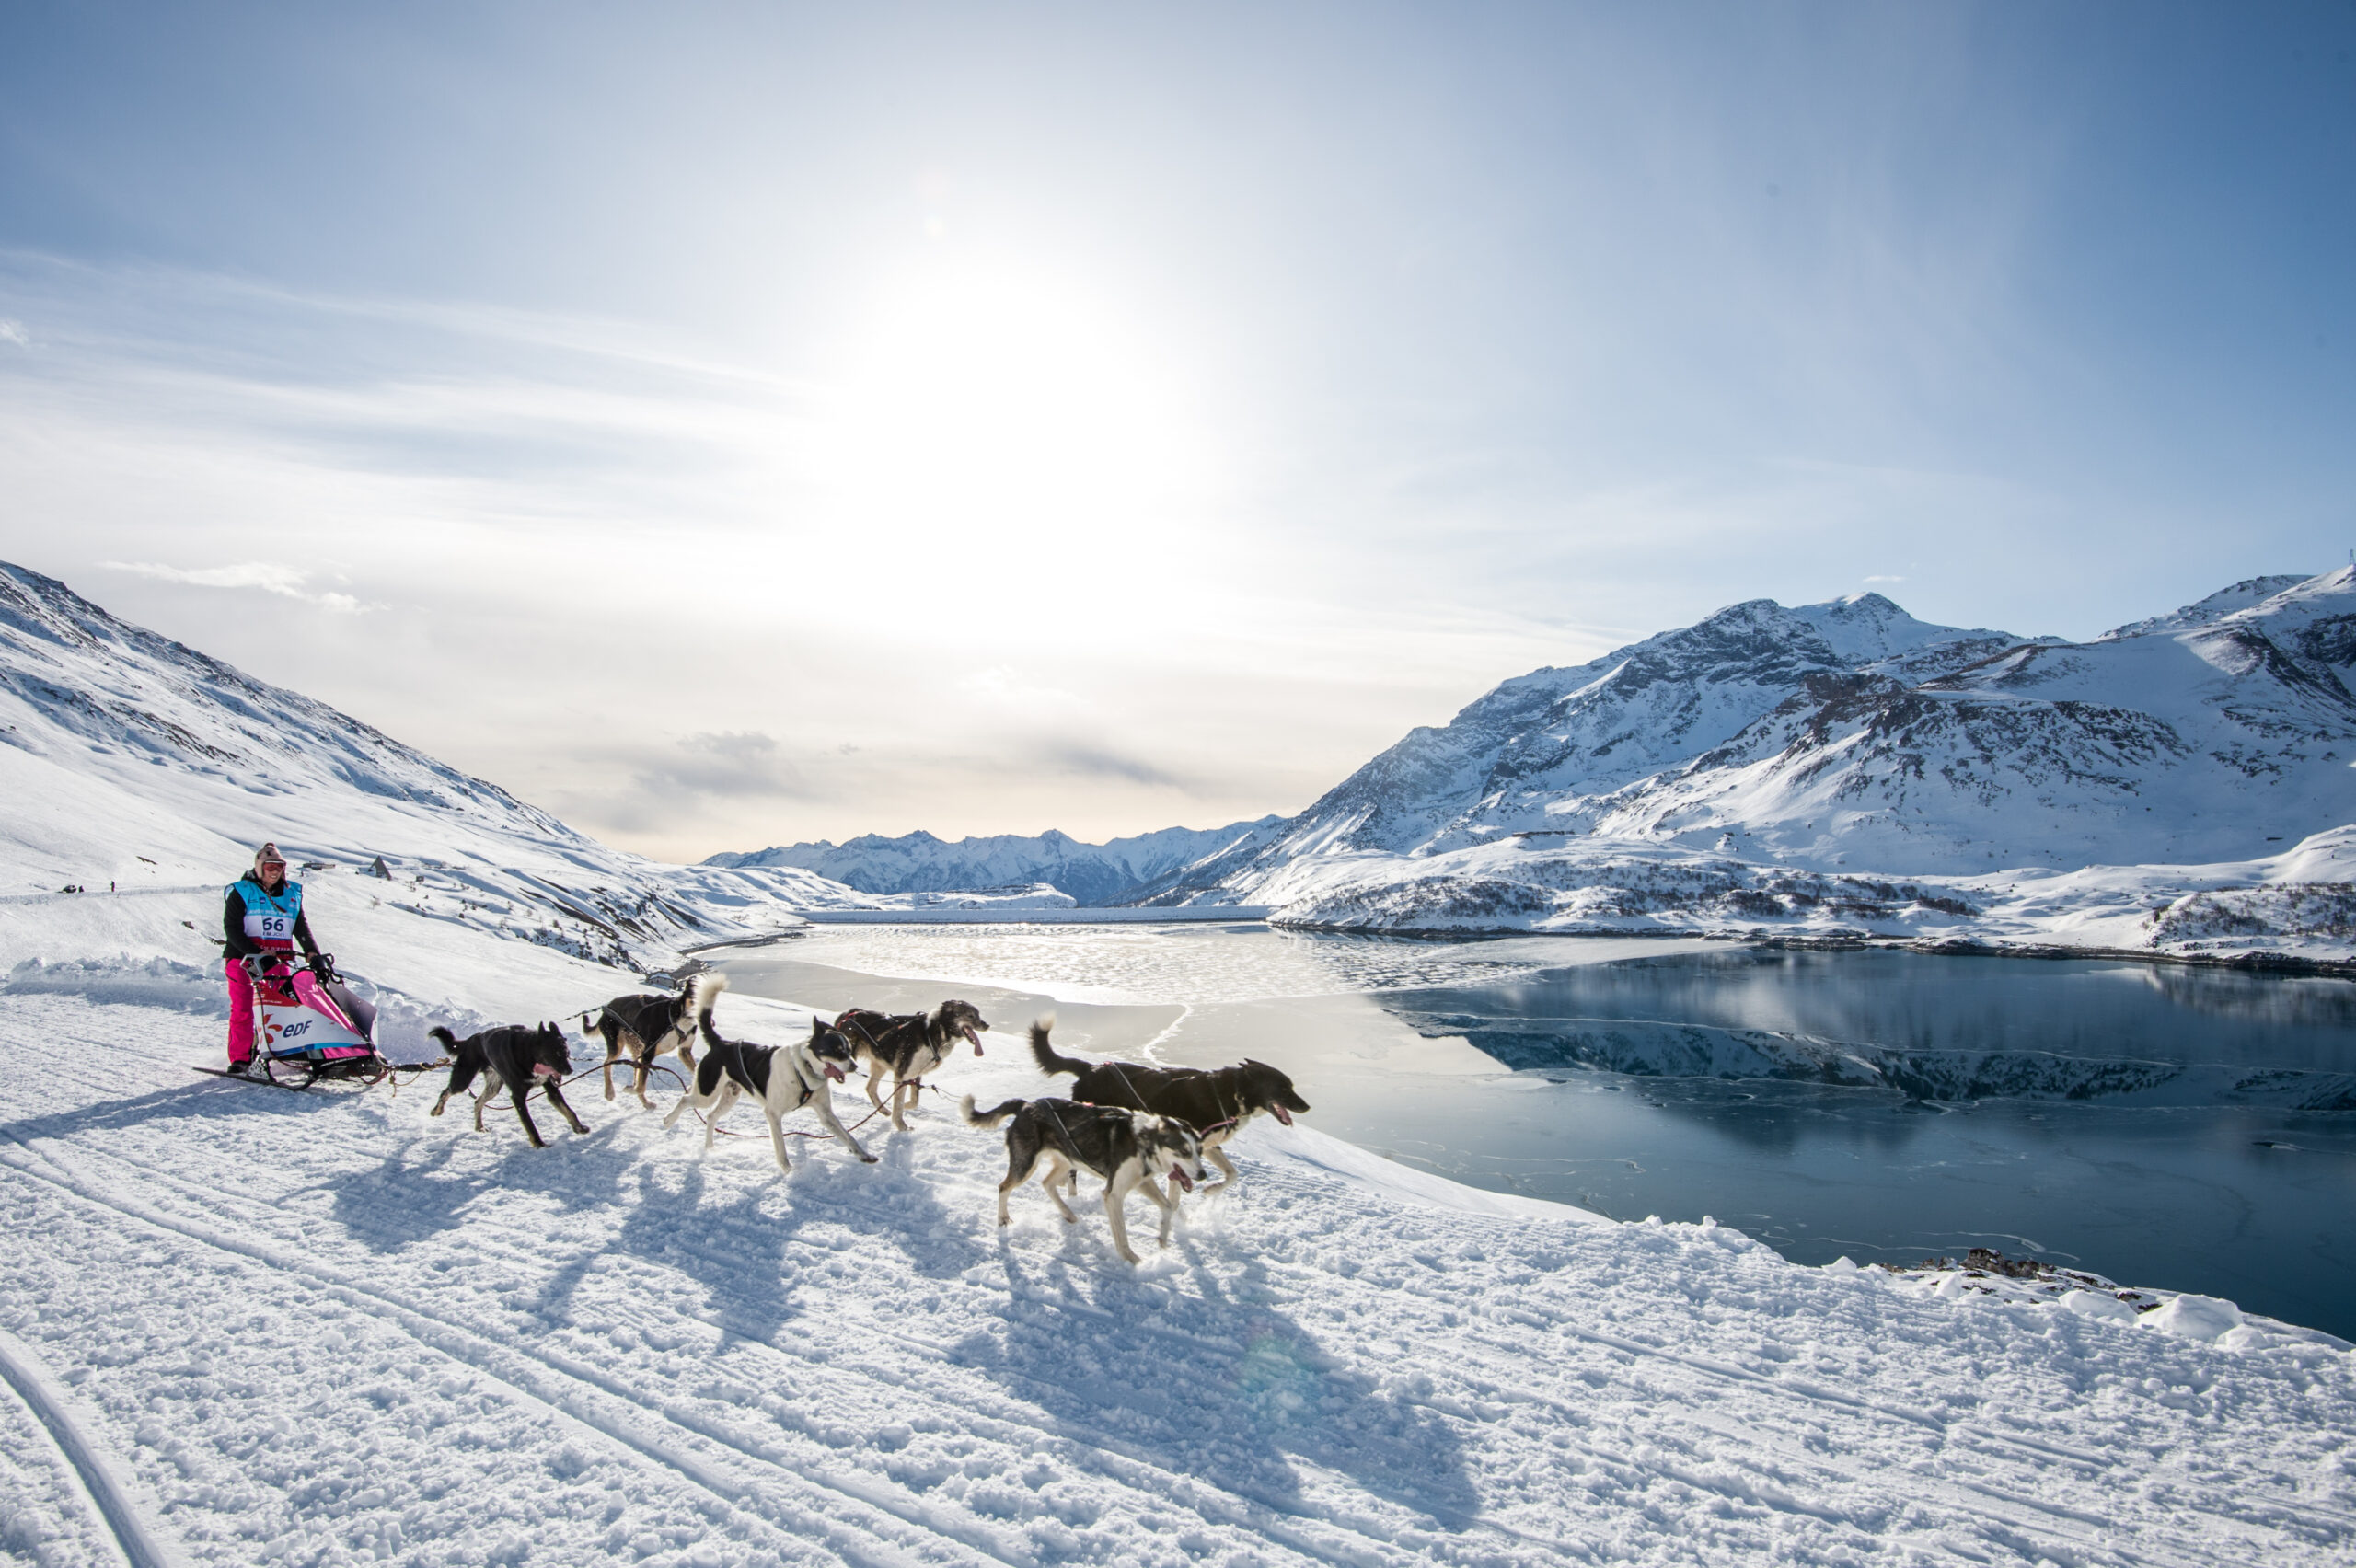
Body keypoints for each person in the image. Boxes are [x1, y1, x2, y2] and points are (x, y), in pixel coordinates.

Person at [221, 843, 353, 1071]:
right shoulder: (242, 891)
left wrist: (313, 954)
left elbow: (300, 927)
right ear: (260, 867)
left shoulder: (291, 894)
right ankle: (241, 1059)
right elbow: (231, 929)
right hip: (243, 960)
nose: (275, 871)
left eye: (279, 867)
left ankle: (279, 1053)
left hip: (278, 961)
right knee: (243, 1009)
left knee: (282, 1009)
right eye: (270, 866)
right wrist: (257, 953)